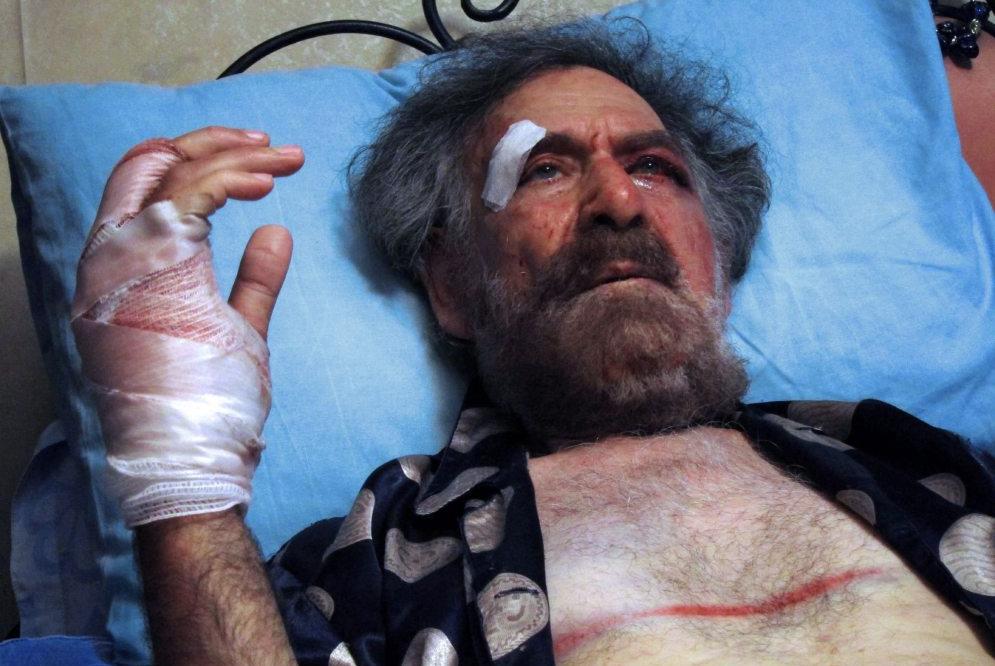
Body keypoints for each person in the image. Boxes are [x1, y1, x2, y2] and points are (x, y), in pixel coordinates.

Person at [72, 20, 995, 666]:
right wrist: (181, 475)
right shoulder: (379, 555)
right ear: (450, 286)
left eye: (654, 166)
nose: (618, 201)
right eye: (544, 169)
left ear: (716, 264)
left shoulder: (915, 462)